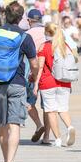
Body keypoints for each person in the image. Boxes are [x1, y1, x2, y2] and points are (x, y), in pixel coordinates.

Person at [0, 1, 39, 162]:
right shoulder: (24, 37)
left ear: (4, 15)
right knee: (15, 125)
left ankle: (5, 160)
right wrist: (34, 77)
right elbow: (34, 63)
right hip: (18, 83)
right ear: (21, 18)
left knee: (2, 124)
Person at [34, 23, 78, 148]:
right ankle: (70, 127)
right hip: (64, 81)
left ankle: (58, 139)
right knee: (63, 109)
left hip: (48, 82)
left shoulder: (44, 46)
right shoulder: (65, 46)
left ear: (47, 33)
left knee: (50, 111)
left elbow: (40, 66)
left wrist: (36, 84)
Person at [25, 9, 47, 143]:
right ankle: (47, 137)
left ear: (29, 21)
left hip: (31, 72)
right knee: (48, 107)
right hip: (48, 73)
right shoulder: (49, 32)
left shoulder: (27, 35)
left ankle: (39, 125)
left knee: (28, 102)